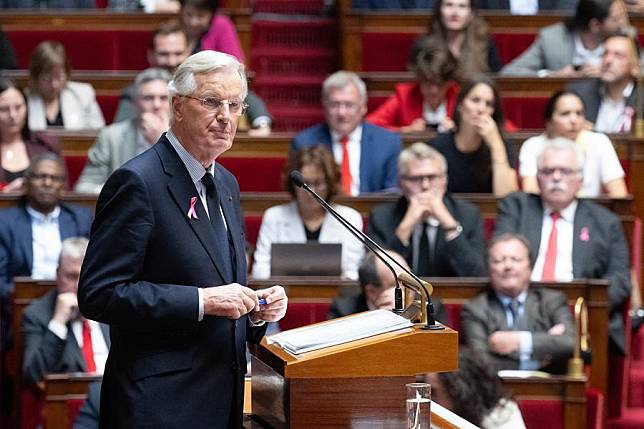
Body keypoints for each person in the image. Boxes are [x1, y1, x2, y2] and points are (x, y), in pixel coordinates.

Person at [77, 51, 288, 429]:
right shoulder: (138, 183)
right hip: (159, 407)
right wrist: (201, 301)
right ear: (177, 106)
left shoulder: (225, 183)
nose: (226, 115)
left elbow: (216, 285)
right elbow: (100, 293)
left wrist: (254, 310)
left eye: (235, 104)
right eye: (211, 101)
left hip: (221, 400)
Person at [495, 140, 631, 354]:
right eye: (548, 171)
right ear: (537, 177)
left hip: (579, 316)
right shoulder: (517, 208)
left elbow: (620, 280)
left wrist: (579, 314)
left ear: (580, 179)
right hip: (518, 308)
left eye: (565, 171)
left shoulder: (605, 222)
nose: (556, 178)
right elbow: (497, 258)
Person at [113, 20, 272, 135]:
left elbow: (242, 97)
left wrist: (262, 123)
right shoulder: (135, 91)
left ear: (188, 52)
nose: (171, 61)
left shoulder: (202, 82)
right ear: (151, 55)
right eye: (164, 54)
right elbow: (121, 132)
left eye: (177, 53)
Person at [0, 154, 93, 348]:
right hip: (21, 311)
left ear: (63, 185)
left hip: (77, 305)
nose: (47, 183)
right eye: (40, 177)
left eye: (55, 178)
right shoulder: (5, 223)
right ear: (26, 182)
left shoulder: (81, 219)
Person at [461, 233, 575, 373]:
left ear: (530, 267)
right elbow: (480, 363)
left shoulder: (552, 301)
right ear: (489, 270)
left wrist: (520, 341)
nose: (508, 266)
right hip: (497, 390)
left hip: (549, 390)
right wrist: (544, 349)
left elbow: (571, 344)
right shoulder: (476, 309)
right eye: (498, 261)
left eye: (516, 259)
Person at [368, 143, 486, 277]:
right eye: (416, 179)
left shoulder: (468, 215)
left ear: (444, 180)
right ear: (400, 183)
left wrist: (449, 225)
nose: (425, 186)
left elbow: (476, 274)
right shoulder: (381, 217)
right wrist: (406, 227)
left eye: (432, 177)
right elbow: (375, 277)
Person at [251, 145, 364, 280]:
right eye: (305, 184)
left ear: (330, 184)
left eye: (318, 183)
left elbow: (353, 273)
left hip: (336, 298)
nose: (311, 192)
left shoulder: (349, 218)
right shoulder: (274, 217)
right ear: (293, 185)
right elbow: (260, 271)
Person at [292, 71, 401, 196]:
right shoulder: (304, 142)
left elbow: (391, 195)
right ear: (324, 106)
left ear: (363, 107)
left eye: (349, 105)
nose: (342, 113)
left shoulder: (388, 142)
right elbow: (300, 194)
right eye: (334, 105)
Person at [22, 238, 109, 386]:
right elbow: (33, 375)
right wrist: (58, 323)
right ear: (57, 275)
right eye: (71, 277)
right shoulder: (37, 315)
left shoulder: (108, 305)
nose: (78, 286)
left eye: (85, 277)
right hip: (76, 404)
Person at [74, 68, 172, 194]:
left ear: (174, 102)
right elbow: (84, 187)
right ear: (135, 103)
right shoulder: (111, 137)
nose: (156, 105)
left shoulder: (185, 136)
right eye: (148, 98)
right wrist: (121, 195)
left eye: (164, 98)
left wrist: (160, 140)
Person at [519, 91, 627, 197]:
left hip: (588, 211)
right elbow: (530, 193)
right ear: (549, 120)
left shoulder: (599, 142)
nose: (574, 120)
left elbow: (618, 193)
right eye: (565, 114)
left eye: (579, 113)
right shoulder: (532, 146)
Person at [428, 75, 518, 196]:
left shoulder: (502, 146)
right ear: (461, 105)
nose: (481, 109)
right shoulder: (437, 147)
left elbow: (507, 199)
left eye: (489, 104)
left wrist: (496, 145)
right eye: (475, 100)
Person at [500, 0, 627, 77]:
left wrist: (610, 70)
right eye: (616, 19)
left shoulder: (624, 36)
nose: (624, 22)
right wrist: (554, 76)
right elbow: (509, 73)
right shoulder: (552, 39)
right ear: (595, 25)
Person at [328, 250, 449, 323]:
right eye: (401, 283)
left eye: (411, 278)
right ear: (372, 291)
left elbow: (442, 357)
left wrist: (403, 320)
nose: (412, 287)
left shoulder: (429, 307)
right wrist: (383, 322)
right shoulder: (344, 311)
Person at [366, 41, 460, 133]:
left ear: (450, 82)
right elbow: (369, 126)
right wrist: (406, 131)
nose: (433, 90)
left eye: (440, 84)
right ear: (419, 80)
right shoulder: (404, 96)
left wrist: (457, 132)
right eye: (427, 83)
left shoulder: (460, 97)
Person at [427, 348, 526, 428]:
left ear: (457, 391)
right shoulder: (429, 418)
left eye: (434, 392)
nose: (428, 400)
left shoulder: (503, 415)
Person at [567, 33, 640, 134]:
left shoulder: (641, 97)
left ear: (635, 66)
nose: (608, 60)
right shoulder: (578, 94)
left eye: (618, 55)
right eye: (605, 54)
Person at [409, 0, 502, 76]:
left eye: (462, 6)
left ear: (471, 14)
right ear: (439, 10)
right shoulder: (424, 44)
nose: (455, 12)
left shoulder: (485, 43)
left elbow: (495, 80)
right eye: (449, 5)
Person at [26, 41, 105, 131]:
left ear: (67, 74)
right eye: (47, 78)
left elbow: (98, 133)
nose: (54, 84)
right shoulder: (23, 100)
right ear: (36, 76)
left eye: (59, 77)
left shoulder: (83, 94)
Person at [0, 77, 59, 192]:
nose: (13, 115)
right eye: (4, 109)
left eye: (18, 107)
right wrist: (5, 194)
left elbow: (62, 188)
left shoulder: (46, 144)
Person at [180, 0, 244, 61]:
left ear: (212, 14)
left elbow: (236, 61)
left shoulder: (221, 25)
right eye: (188, 14)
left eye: (201, 16)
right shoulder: (177, 25)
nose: (193, 23)